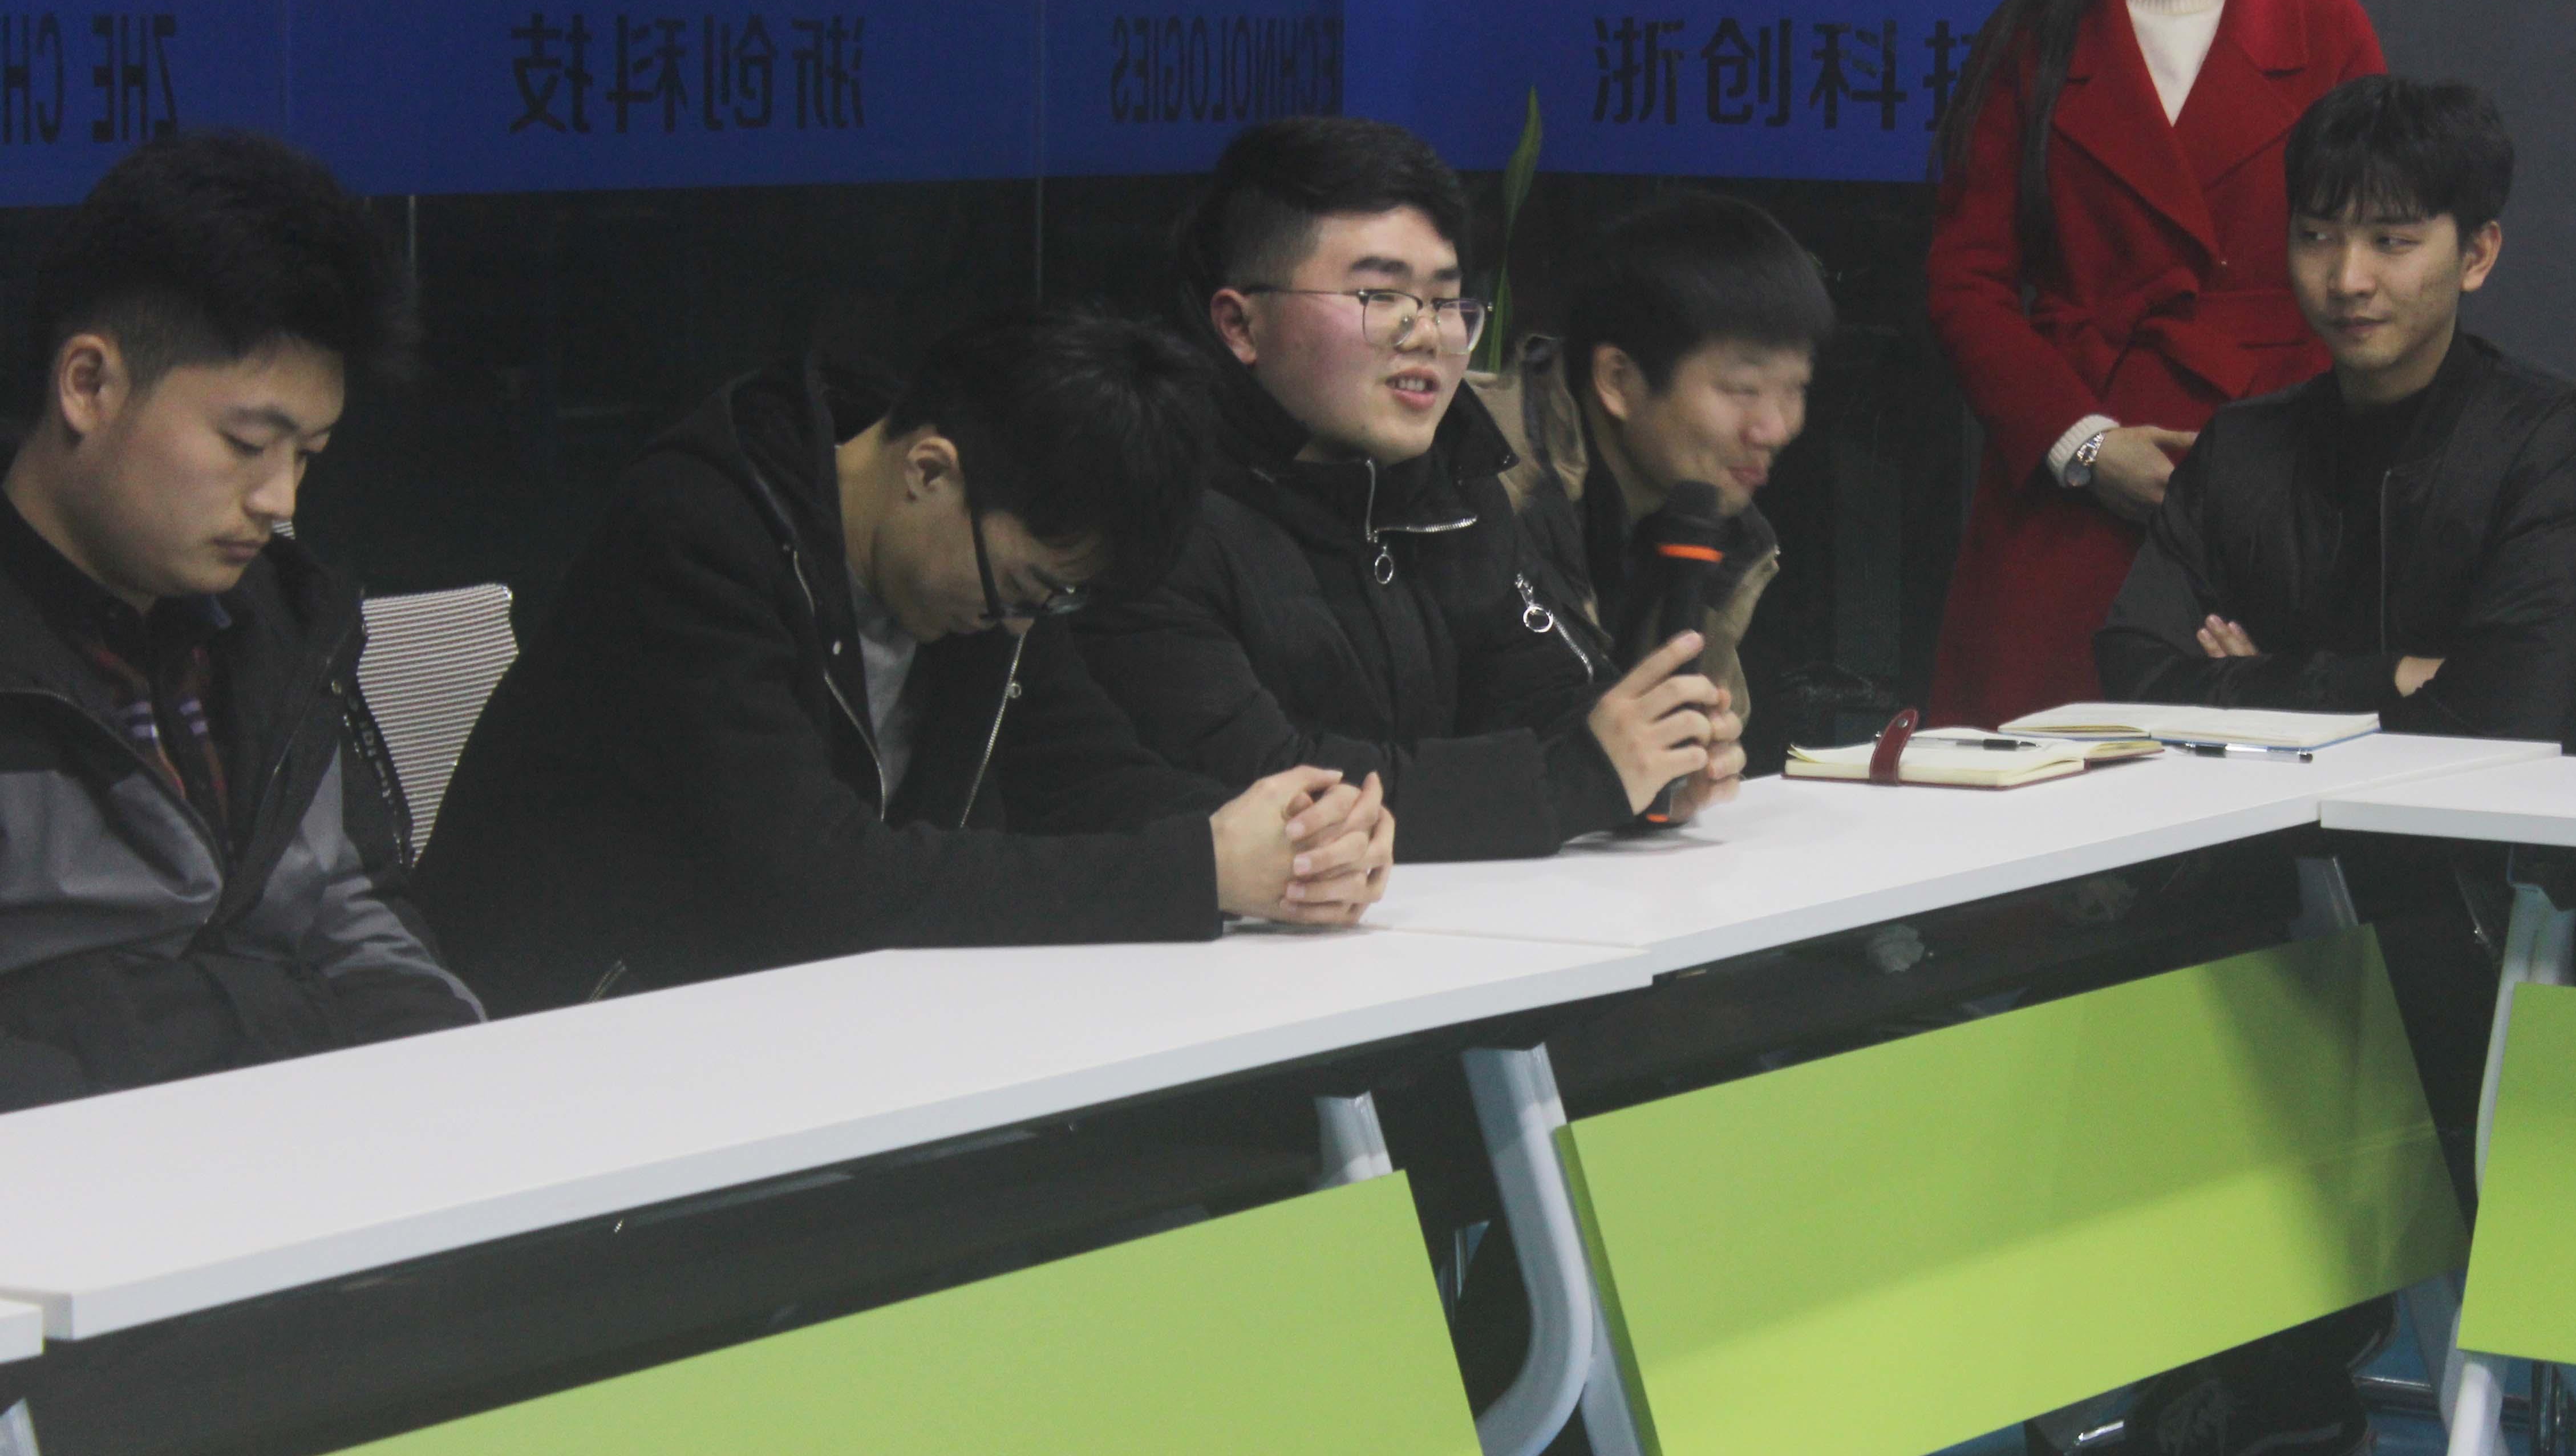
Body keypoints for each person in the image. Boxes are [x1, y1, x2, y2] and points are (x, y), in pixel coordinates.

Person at [2081, 76, 2576, 1456]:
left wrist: (2262, 683)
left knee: (2289, 993)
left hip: (2486, 917)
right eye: (2320, 235)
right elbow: (2136, 668)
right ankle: (2267, 1357)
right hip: (2261, 902)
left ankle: (2287, 1362)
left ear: (2477, 251)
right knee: (2086, 982)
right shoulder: (2248, 445)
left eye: (2394, 240)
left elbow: (2519, 713)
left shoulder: (2559, 445)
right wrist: (2380, 678)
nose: (2348, 278)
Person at [412, 313, 1393, 1018]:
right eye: (1025, 591)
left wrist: (1299, 842)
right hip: (577, 1024)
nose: (1020, 625)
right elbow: (814, 882)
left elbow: (1082, 774)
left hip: (798, 1016)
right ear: (930, 470)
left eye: (1055, 603)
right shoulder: (697, 538)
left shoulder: (986, 559)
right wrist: (1200, 870)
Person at [1075, 116, 1743, 863]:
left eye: (1446, 301)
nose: (1426, 333)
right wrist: (1584, 777)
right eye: (1379, 294)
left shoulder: (1453, 483)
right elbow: (1273, 793)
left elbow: (1547, 700)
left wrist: (1653, 758)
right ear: (1240, 324)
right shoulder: (1153, 518)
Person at [0, 130, 480, 1113]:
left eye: (308, 455)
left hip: (302, 1150)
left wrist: (455, 1089)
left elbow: (358, 913)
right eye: (247, 442)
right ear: (88, 384)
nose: (279, 500)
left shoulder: (280, 632)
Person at [1926, 0, 2385, 730]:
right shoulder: (2031, 43)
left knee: (2246, 777)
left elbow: (2372, 277)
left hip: (2273, 473)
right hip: (2071, 474)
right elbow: (1964, 282)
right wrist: (2085, 446)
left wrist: (2287, 467)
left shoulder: (2327, 33)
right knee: (2042, 779)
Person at [1473, 189, 1832, 719]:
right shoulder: (1478, 484)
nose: (1776, 428)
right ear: (1618, 380)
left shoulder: (1712, 523)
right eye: (1744, 389)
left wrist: (1698, 754)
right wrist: (1601, 757)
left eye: (1794, 389)